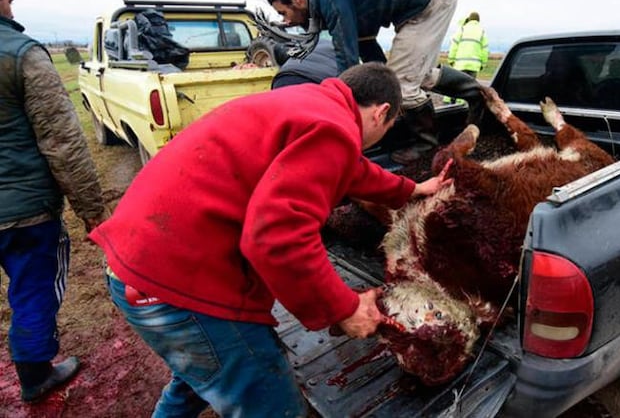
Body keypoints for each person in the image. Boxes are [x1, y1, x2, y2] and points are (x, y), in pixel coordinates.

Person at [90, 62, 453, 416]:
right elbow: (277, 236)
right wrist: (345, 308)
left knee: (202, 373)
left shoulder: (310, 104)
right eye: (389, 128)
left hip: (139, 260)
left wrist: (413, 189)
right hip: (176, 286)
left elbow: (353, 170)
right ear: (382, 113)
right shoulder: (335, 130)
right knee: (270, 402)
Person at [0, 0, 109, 403]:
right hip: (23, 209)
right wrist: (91, 207)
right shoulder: (21, 53)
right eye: (9, 0)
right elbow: (63, 142)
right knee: (32, 285)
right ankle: (35, 373)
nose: (11, 9)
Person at [266, 0, 459, 164]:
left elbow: (346, 60)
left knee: (403, 84)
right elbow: (366, 47)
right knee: (410, 76)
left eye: (283, 12)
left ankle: (428, 144)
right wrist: (383, 91)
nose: (287, 21)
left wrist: (344, 115)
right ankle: (476, 95)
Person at [448, 11, 489, 78]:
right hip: (474, 66)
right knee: (470, 86)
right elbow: (485, 50)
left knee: (459, 86)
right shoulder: (482, 32)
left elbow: (454, 46)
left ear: (469, 19)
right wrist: (483, 64)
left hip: (460, 65)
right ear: (478, 20)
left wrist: (451, 60)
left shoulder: (462, 29)